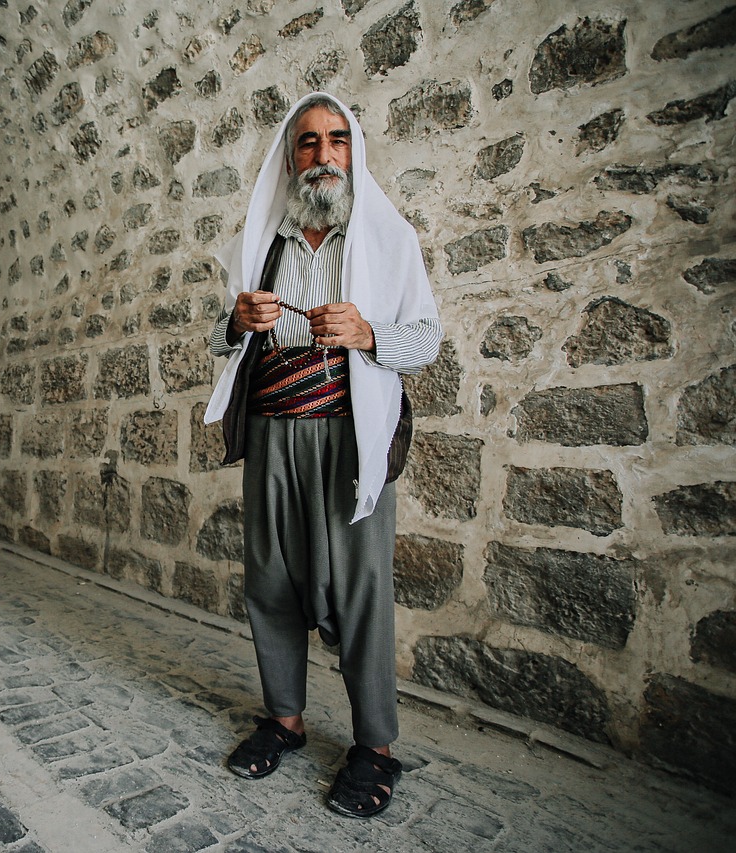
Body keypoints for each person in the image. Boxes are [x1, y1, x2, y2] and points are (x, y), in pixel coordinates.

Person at [204, 92, 442, 818]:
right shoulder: (261, 242)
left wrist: (369, 333)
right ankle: (285, 718)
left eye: (336, 140)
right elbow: (223, 339)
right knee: (271, 578)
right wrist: (235, 321)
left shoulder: (386, 240)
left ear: (353, 150)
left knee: (361, 587)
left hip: (347, 434)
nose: (323, 155)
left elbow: (426, 340)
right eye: (307, 143)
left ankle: (376, 745)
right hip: (274, 431)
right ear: (290, 157)